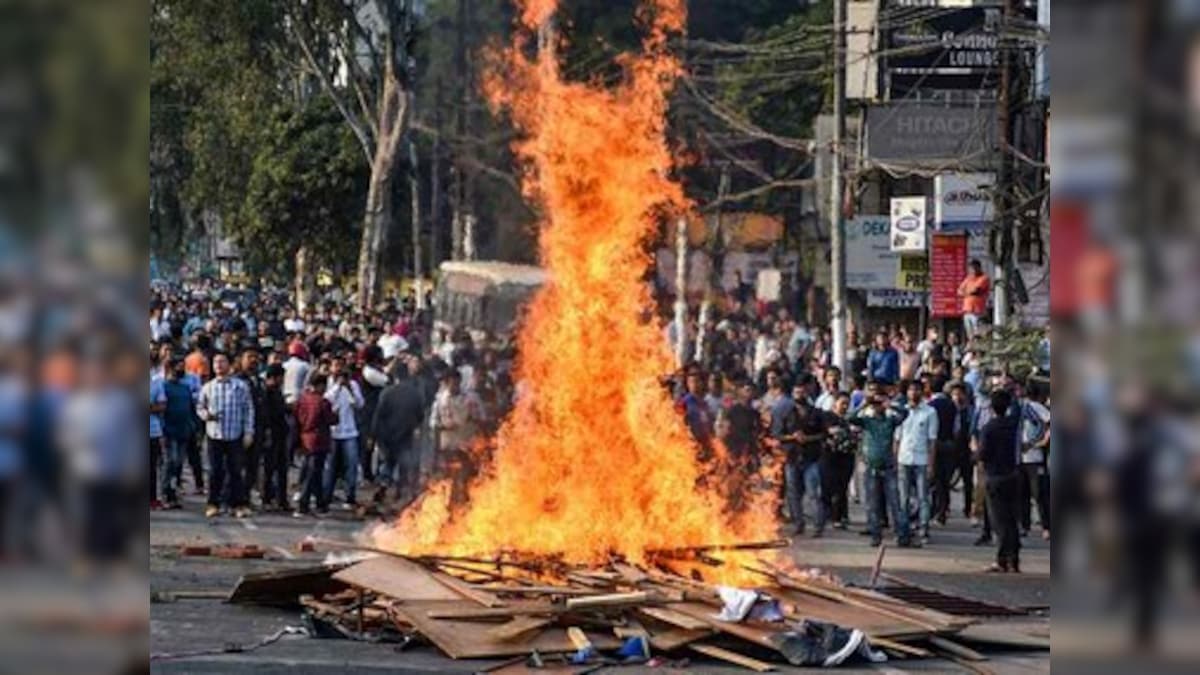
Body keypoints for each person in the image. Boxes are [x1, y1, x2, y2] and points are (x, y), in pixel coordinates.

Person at [848, 394, 915, 547]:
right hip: (871, 467)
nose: (877, 407)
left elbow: (905, 413)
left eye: (879, 405)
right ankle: (875, 534)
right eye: (875, 405)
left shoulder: (890, 421)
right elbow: (850, 418)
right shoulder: (867, 421)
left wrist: (889, 404)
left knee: (895, 503)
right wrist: (864, 404)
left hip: (888, 467)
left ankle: (901, 534)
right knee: (872, 503)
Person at [196, 353, 255, 519]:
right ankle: (213, 503)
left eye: (222, 361)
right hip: (215, 434)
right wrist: (205, 415)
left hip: (234, 434)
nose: (218, 365)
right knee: (215, 471)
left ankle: (238, 504)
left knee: (236, 471)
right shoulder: (208, 387)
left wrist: (249, 432)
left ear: (229, 364)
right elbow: (199, 406)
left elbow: (248, 409)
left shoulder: (240, 386)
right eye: (215, 362)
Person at [975, 389, 1022, 572]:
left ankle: (1002, 559)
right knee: (1012, 519)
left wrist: (976, 455)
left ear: (992, 408)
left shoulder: (989, 428)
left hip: (995, 476)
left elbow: (983, 453)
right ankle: (1014, 559)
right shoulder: (1012, 425)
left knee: (999, 521)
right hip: (1012, 474)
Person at [372, 358, 429, 508]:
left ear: (395, 376)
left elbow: (379, 416)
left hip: (388, 436)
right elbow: (420, 415)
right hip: (406, 435)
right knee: (404, 466)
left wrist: (375, 436)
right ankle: (400, 492)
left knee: (388, 463)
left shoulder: (387, 393)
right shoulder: (415, 393)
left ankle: (384, 485)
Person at [774, 385, 826, 537]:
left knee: (813, 493)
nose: (800, 395)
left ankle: (818, 526)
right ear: (792, 394)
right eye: (797, 392)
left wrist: (808, 438)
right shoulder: (786, 414)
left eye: (802, 392)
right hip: (792, 458)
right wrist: (792, 437)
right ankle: (798, 524)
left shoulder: (816, 413)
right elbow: (777, 434)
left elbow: (823, 434)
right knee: (793, 493)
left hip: (811, 458)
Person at [896, 380, 938, 542]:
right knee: (904, 497)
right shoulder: (902, 411)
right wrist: (895, 458)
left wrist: (931, 464)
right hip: (903, 458)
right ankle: (904, 528)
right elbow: (897, 438)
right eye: (911, 390)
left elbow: (932, 441)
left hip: (922, 459)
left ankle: (923, 528)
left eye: (917, 390)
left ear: (922, 392)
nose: (914, 393)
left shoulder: (930, 412)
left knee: (923, 497)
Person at [324, 356, 365, 511]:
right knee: (331, 467)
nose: (339, 369)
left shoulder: (353, 384)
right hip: (332, 433)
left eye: (341, 366)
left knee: (351, 466)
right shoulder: (327, 384)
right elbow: (326, 402)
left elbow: (360, 404)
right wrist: (337, 387)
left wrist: (349, 388)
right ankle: (326, 497)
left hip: (349, 432)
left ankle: (350, 497)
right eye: (336, 366)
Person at [293, 373, 337, 517]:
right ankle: (303, 504)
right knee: (313, 473)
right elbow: (331, 419)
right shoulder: (323, 402)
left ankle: (320, 504)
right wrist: (336, 414)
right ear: (320, 386)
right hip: (319, 440)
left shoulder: (303, 399)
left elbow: (298, 419)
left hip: (305, 439)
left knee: (314, 472)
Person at [1017, 380, 1052, 540]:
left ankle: (1040, 525)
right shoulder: (1025, 407)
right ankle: (1031, 525)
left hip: (1032, 454)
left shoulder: (1032, 407)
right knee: (1031, 493)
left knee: (1037, 494)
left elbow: (1049, 423)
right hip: (1027, 455)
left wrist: (1040, 442)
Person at [160, 359, 196, 509]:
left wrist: (193, 427)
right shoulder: (163, 386)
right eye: (178, 367)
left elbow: (190, 409)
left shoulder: (185, 388)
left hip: (184, 430)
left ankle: (174, 492)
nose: (181, 370)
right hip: (169, 430)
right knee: (171, 461)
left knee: (179, 463)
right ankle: (165, 492)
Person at [821, 392, 859, 530]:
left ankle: (840, 516)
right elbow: (830, 431)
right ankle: (827, 515)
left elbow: (856, 435)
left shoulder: (849, 419)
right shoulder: (827, 416)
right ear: (835, 403)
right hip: (830, 456)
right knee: (828, 487)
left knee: (842, 488)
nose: (844, 406)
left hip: (846, 457)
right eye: (842, 403)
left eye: (847, 404)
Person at [260, 364, 291, 512]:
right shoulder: (267, 392)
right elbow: (266, 415)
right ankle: (267, 498)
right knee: (269, 469)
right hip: (272, 434)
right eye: (281, 377)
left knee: (282, 468)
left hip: (280, 433)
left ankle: (281, 499)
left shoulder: (277, 391)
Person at [957, 259, 991, 339]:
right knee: (970, 335)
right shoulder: (968, 278)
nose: (973, 270)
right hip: (967, 310)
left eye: (975, 268)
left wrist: (965, 292)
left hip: (977, 311)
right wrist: (967, 292)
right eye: (971, 268)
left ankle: (979, 350)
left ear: (979, 267)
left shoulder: (984, 278)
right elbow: (959, 291)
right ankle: (972, 350)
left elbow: (975, 291)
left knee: (978, 334)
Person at [150, 360, 167, 509]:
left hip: (152, 430)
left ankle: (152, 498)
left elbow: (162, 405)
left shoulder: (156, 382)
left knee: (151, 466)